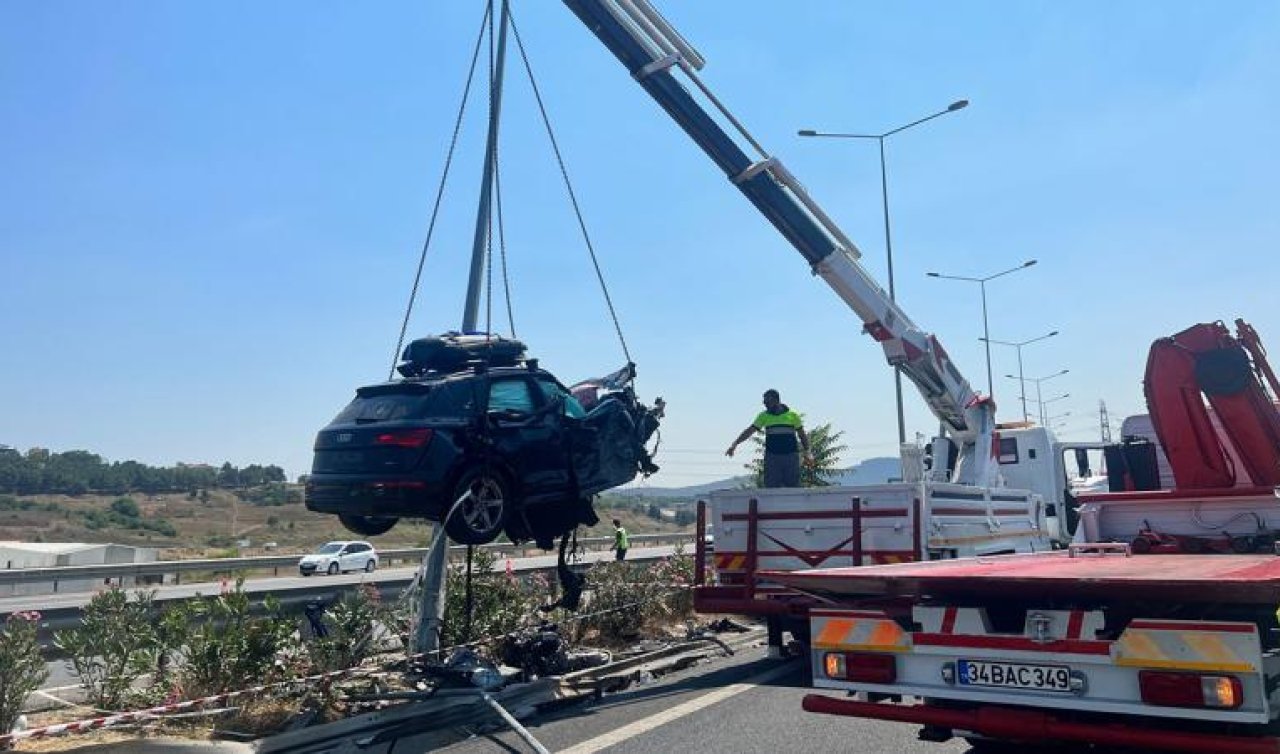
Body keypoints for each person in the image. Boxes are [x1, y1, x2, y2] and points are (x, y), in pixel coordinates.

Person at [726, 389, 809, 488]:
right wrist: (735, 444)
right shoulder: (763, 416)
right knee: (771, 487)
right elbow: (749, 431)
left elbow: (802, 434)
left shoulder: (793, 415)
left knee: (793, 487)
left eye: (767, 402)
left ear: (776, 400)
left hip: (790, 456)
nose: (765, 404)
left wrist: (808, 452)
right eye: (764, 402)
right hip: (772, 457)